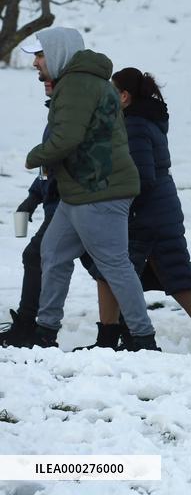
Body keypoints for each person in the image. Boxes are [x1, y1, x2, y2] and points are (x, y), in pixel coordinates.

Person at [77, 68, 191, 359]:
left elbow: (141, 176)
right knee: (177, 275)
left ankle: (109, 339)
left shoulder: (133, 124)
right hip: (161, 210)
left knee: (109, 270)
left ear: (124, 96)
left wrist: (111, 199)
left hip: (144, 215)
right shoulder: (145, 120)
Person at [21, 27, 158, 350]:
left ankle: (143, 338)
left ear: (57, 52)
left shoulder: (77, 85)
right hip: (81, 190)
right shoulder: (84, 82)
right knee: (52, 254)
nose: (36, 63)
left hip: (100, 190)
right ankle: (45, 331)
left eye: (40, 55)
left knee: (114, 264)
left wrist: (35, 157)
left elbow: (67, 138)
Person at [0, 80, 96, 348]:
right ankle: (121, 330)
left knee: (38, 256)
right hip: (62, 205)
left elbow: (62, 162)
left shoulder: (71, 116)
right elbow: (48, 167)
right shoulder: (56, 115)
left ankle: (31, 328)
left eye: (52, 81)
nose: (44, 83)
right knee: (100, 267)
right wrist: (33, 197)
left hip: (72, 205)